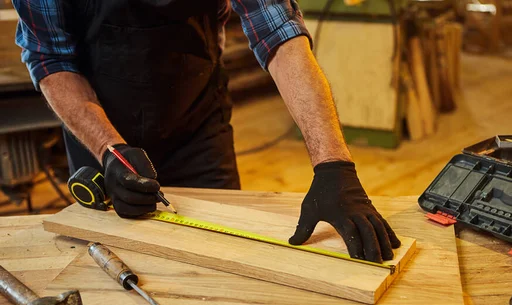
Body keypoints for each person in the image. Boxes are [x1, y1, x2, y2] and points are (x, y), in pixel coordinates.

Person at [11, 0, 400, 263]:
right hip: (103, 136)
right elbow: (51, 58)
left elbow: (278, 33)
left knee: (223, 261)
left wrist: (333, 164)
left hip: (199, 122)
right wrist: (108, 149)